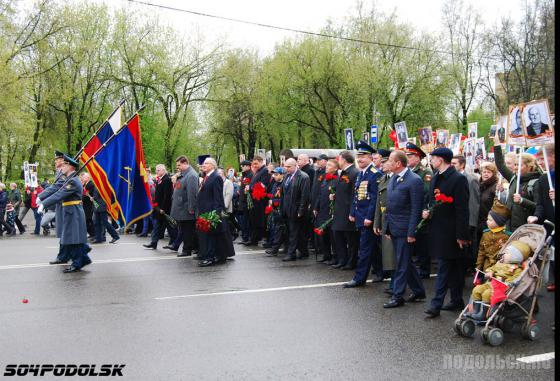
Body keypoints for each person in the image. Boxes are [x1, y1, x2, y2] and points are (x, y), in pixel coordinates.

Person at [423, 148, 470, 318]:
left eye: (433, 157)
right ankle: (457, 300)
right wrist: (427, 211)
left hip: (451, 232)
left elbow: (462, 210)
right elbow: (431, 200)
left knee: (444, 267)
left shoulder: (458, 179)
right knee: (454, 268)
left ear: (441, 159)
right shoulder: (436, 176)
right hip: (437, 228)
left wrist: (461, 235)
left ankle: (436, 304)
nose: (431, 160)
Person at [380, 150, 426, 307]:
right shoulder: (393, 177)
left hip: (405, 229)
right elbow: (389, 206)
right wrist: (386, 228)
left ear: (398, 163)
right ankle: (419, 291)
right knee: (405, 261)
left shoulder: (414, 180)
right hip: (394, 228)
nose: (387, 164)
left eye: (390, 161)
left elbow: (415, 209)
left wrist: (412, 232)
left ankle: (398, 296)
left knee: (401, 263)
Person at [38, 154, 91, 273]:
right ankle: (83, 258)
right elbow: (57, 190)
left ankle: (78, 263)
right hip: (70, 211)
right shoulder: (69, 179)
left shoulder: (72, 181)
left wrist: (44, 204)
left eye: (64, 165)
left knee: (73, 238)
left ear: (70, 167)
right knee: (71, 237)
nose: (62, 167)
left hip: (74, 212)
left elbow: (59, 194)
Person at [343, 141, 383, 288]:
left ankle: (359, 278)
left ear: (371, 158)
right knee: (371, 247)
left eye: (363, 156)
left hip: (368, 218)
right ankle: (380, 271)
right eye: (358, 156)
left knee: (365, 249)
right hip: (360, 216)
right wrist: (353, 212)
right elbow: (357, 195)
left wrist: (368, 217)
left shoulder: (374, 174)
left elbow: (374, 199)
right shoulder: (361, 173)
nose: (360, 159)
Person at [468, 241, 531, 320]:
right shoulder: (500, 263)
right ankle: (475, 310)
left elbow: (515, 279)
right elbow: (492, 268)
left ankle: (483, 314)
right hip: (491, 283)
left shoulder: (517, 269)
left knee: (486, 294)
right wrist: (490, 272)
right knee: (476, 289)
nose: (504, 254)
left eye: (507, 253)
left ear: (515, 257)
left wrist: (505, 280)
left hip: (500, 287)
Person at [493, 134, 540, 231]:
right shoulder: (514, 178)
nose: (515, 168)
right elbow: (500, 165)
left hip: (525, 230)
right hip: (509, 227)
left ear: (529, 166)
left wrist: (522, 201)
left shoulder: (537, 183)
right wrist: (497, 144)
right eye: (515, 165)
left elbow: (539, 207)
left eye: (519, 165)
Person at [527, 143, 555, 291]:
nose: (540, 163)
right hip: (551, 225)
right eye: (538, 160)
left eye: (543, 159)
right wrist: (536, 216)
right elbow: (541, 204)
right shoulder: (544, 180)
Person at [405, 142, 432, 279]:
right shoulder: (408, 171)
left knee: (422, 242)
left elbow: (426, 193)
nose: (407, 158)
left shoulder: (425, 171)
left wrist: (424, 210)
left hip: (421, 211)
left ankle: (425, 269)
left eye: (410, 156)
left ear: (417, 157)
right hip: (410, 211)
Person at [38, 151, 69, 264]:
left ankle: (64, 256)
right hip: (61, 204)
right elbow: (54, 187)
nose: (55, 162)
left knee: (64, 232)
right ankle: (65, 255)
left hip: (64, 205)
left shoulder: (63, 172)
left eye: (57, 159)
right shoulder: (59, 172)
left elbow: (56, 187)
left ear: (62, 160)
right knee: (63, 232)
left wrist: (42, 198)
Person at [330, 151, 359, 269]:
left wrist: (352, 212)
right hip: (339, 210)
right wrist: (334, 195)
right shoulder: (342, 173)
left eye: (339, 159)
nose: (338, 161)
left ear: (344, 160)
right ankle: (342, 260)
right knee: (339, 236)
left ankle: (351, 262)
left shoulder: (354, 172)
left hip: (347, 211)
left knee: (351, 239)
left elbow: (354, 195)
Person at [165, 156, 198, 257]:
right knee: (184, 230)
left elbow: (192, 194)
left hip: (186, 208)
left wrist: (191, 208)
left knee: (187, 231)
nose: (178, 167)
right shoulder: (184, 174)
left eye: (179, 165)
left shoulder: (191, 175)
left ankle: (187, 250)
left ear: (185, 163)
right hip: (181, 208)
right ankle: (194, 248)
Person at [197, 157, 228, 267]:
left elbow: (218, 197)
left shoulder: (216, 177)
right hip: (204, 211)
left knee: (210, 236)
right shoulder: (207, 177)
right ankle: (218, 256)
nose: (203, 165)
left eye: (206, 163)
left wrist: (215, 213)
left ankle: (210, 258)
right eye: (203, 164)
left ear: (212, 165)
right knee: (210, 235)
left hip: (211, 212)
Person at [373, 149, 396, 295]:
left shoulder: (396, 179)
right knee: (387, 254)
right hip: (383, 218)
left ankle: (396, 283)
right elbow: (378, 203)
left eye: (384, 162)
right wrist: (376, 223)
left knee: (393, 254)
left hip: (393, 220)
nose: (381, 165)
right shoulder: (383, 178)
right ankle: (394, 281)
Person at [451, 155, 480, 266]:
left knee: (465, 250)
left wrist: (471, 223)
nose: (452, 166)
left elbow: (473, 202)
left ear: (462, 165)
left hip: (467, 220)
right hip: (455, 219)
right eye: (451, 163)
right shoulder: (452, 178)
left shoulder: (471, 179)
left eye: (455, 164)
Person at [280, 158, 310, 261]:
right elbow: (284, 193)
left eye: (288, 167)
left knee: (294, 232)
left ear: (295, 165)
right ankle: (304, 251)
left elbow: (304, 196)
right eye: (285, 166)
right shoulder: (287, 176)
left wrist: (301, 210)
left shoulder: (303, 177)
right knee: (295, 232)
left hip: (296, 209)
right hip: (287, 209)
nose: (286, 169)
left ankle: (291, 253)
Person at [143, 164, 175, 250]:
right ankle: (154, 243)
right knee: (156, 226)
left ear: (163, 170)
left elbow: (167, 196)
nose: (156, 172)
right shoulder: (160, 180)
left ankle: (174, 242)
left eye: (158, 170)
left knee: (169, 226)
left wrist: (163, 208)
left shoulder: (167, 180)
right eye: (156, 170)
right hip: (158, 208)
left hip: (163, 209)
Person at [313, 159, 339, 262]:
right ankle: (326, 254)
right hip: (322, 211)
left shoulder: (337, 179)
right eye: (327, 165)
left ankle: (335, 256)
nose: (327, 167)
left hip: (331, 212)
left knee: (332, 236)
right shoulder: (325, 179)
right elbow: (320, 195)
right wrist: (316, 207)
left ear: (335, 168)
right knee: (323, 235)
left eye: (329, 165)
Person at [475, 199, 511, 272]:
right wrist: (478, 266)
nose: (487, 221)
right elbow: (481, 251)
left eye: (490, 220)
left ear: (499, 222)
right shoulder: (485, 234)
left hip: (499, 269)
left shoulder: (507, 236)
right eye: (488, 219)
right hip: (486, 268)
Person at [245, 156, 270, 246]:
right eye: (253, 164)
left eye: (256, 164)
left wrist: (250, 187)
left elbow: (263, 185)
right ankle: (254, 239)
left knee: (259, 221)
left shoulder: (265, 171)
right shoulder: (258, 171)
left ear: (261, 162)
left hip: (260, 201)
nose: (254, 166)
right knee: (254, 220)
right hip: (254, 199)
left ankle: (258, 239)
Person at [87, 178, 120, 244]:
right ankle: (98, 238)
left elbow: (103, 195)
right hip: (97, 206)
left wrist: (94, 198)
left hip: (102, 206)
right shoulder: (97, 184)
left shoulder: (103, 185)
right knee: (97, 223)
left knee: (105, 222)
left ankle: (115, 236)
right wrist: (93, 198)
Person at [265, 167, 286, 256]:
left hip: (281, 210)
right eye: (274, 174)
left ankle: (275, 249)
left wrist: (273, 202)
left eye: (276, 174)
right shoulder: (276, 184)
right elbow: (274, 195)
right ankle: (284, 248)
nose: (274, 176)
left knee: (279, 230)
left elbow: (284, 198)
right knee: (280, 230)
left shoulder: (284, 184)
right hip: (275, 210)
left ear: (282, 175)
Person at [297, 153, 316, 251]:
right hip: (301, 201)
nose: (298, 161)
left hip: (307, 201)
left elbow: (311, 187)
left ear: (306, 160)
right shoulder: (300, 171)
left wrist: (309, 202)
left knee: (307, 224)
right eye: (298, 159)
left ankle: (310, 242)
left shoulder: (310, 171)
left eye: (300, 159)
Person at [311, 154, 328, 256]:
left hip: (321, 204)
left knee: (321, 227)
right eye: (317, 160)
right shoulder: (317, 172)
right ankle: (317, 246)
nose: (317, 162)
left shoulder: (325, 172)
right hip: (315, 203)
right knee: (316, 226)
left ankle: (322, 249)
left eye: (319, 160)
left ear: (325, 161)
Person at [476, 162, 499, 238]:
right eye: (484, 172)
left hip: (488, 223)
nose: (486, 174)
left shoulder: (496, 186)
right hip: (478, 221)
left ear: (493, 173)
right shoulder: (478, 184)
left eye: (489, 172)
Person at [236, 160, 253, 244]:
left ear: (247, 166)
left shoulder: (250, 174)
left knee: (247, 221)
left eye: (242, 166)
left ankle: (248, 237)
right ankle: (245, 237)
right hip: (242, 200)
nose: (241, 167)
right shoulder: (245, 175)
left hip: (247, 202)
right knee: (243, 220)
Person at [80, 173, 95, 238]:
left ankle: (93, 233)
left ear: (88, 177)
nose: (82, 178)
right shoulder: (86, 184)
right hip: (86, 205)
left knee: (88, 219)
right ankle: (92, 234)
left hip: (89, 205)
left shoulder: (90, 184)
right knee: (88, 220)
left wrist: (81, 200)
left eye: (83, 177)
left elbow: (86, 195)